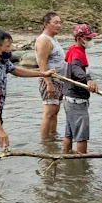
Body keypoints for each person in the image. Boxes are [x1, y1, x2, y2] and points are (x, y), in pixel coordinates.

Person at [0, 28, 54, 187]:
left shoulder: (1, 61)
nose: (11, 49)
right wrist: (0, 129)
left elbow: (15, 70)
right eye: (8, 46)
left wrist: (42, 74)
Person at [63, 25, 98, 154]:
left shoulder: (74, 50)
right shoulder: (77, 53)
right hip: (76, 100)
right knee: (81, 136)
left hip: (69, 98)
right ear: (79, 38)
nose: (90, 41)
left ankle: (66, 157)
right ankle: (81, 165)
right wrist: (88, 79)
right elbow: (76, 70)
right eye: (87, 38)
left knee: (70, 132)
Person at [35, 12, 66, 140]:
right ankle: (45, 143)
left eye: (59, 22)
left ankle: (53, 138)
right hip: (50, 80)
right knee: (48, 112)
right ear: (46, 24)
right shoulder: (44, 40)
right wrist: (49, 83)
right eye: (56, 23)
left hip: (59, 80)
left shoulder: (53, 39)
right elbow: (42, 63)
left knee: (55, 112)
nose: (59, 25)